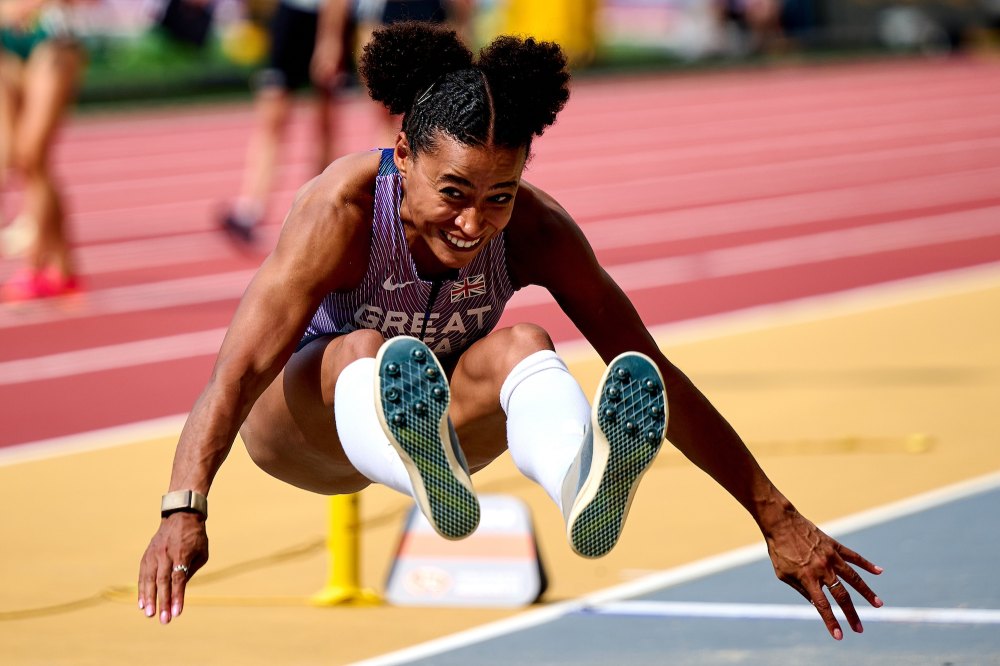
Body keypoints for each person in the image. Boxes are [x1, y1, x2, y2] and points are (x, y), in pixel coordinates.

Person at [139, 22, 884, 640]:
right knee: (364, 349)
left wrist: (775, 518)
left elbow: (649, 367)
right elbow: (235, 372)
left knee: (527, 345)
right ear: (402, 156)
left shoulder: (536, 230)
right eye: (453, 192)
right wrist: (185, 505)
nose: (473, 223)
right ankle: (423, 473)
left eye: (500, 195)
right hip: (300, 428)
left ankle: (581, 484)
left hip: (445, 424)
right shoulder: (342, 212)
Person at [218, 0, 351, 245]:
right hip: (290, 17)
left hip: (324, 19)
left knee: (325, 122)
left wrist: (330, 40)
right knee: (271, 116)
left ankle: (322, 208)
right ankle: (250, 208)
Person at [0, 0, 87, 301]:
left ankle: (34, 264)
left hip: (49, 35)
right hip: (4, 38)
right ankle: (64, 267)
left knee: (32, 152)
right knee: (13, 158)